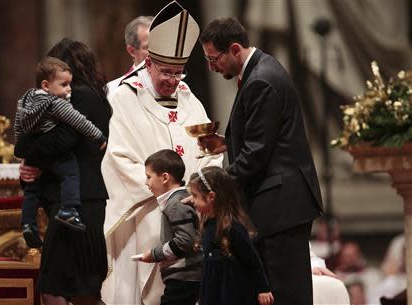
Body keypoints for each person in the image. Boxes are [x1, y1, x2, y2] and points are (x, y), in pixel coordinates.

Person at [100, 2, 222, 304]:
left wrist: (197, 194)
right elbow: (116, 159)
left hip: (192, 211)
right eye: (166, 71)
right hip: (146, 212)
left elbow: (209, 151)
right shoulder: (122, 98)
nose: (173, 80)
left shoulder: (188, 98)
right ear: (148, 62)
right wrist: (166, 193)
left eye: (178, 73)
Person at [198, 17, 324, 305]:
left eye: (213, 59)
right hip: (279, 203)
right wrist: (225, 143)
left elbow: (256, 153)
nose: (211, 67)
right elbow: (263, 136)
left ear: (234, 49)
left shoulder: (261, 81)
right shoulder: (261, 69)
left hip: (280, 205)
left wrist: (214, 188)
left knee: (287, 294)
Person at [15, 38, 111, 305]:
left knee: (55, 288)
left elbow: (63, 141)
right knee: (83, 290)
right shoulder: (97, 97)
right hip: (87, 201)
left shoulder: (76, 97)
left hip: (74, 203)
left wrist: (27, 154)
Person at [14, 56, 107, 248]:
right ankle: (69, 209)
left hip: (33, 152)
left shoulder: (24, 101)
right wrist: (99, 136)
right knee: (70, 172)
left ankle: (27, 224)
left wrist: (23, 153)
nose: (69, 89)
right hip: (54, 152)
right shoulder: (57, 103)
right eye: (64, 84)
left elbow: (18, 128)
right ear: (47, 85)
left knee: (32, 190)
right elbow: (79, 121)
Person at [188, 166, 274, 305]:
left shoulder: (233, 227)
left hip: (233, 291)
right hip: (212, 289)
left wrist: (263, 288)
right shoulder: (207, 223)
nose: (191, 200)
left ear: (211, 197)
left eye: (195, 195)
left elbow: (252, 260)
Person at [138, 149, 202, 305]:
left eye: (149, 177)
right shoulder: (178, 199)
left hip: (184, 276)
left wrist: (154, 254)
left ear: (165, 177)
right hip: (185, 276)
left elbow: (185, 240)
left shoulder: (175, 204)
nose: (146, 183)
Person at [106, 15, 153, 98]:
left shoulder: (179, 87)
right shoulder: (113, 89)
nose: (158, 53)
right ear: (132, 51)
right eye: (149, 47)